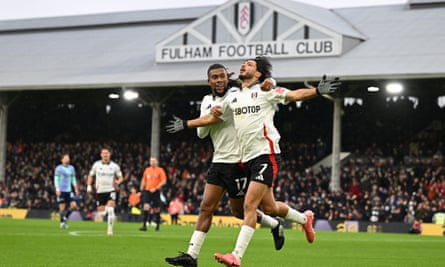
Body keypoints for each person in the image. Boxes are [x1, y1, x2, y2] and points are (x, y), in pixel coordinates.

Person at [167, 56, 340, 267]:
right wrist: (186, 123)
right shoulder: (233, 98)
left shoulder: (265, 91)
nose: (243, 65)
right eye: (243, 64)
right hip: (246, 160)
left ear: (258, 74)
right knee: (269, 207)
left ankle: (236, 256)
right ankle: (305, 219)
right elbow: (212, 120)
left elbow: (293, 95)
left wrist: (316, 91)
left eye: (249, 64)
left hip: (265, 154)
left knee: (249, 206)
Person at [165, 63, 285, 267]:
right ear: (209, 81)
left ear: (227, 78)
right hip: (218, 161)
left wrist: (271, 82)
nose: (219, 80)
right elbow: (201, 133)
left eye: (222, 76)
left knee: (240, 212)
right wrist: (210, 115)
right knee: (206, 207)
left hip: (237, 162)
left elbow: (262, 86)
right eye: (215, 77)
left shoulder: (238, 94)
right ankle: (192, 255)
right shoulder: (206, 100)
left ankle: (273, 223)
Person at [86, 146, 123, 236]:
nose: (105, 155)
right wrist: (89, 186)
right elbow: (91, 175)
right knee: (102, 212)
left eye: (107, 153)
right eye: (103, 153)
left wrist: (118, 181)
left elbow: (121, 177)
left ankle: (110, 230)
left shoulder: (114, 166)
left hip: (111, 190)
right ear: (101, 155)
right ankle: (107, 211)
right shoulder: (96, 165)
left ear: (110, 154)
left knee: (111, 209)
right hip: (100, 191)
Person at [139, 156, 167, 231]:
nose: (152, 162)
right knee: (146, 206)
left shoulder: (160, 170)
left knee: (156, 208)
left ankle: (157, 225)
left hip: (156, 191)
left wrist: (156, 188)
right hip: (147, 191)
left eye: (154, 161)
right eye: (151, 161)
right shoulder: (147, 170)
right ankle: (144, 225)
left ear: (157, 162)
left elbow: (164, 181)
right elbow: (144, 179)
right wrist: (141, 186)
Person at [54, 153, 79, 229]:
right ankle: (62, 223)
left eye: (68, 158)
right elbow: (56, 179)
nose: (68, 159)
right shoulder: (59, 168)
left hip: (69, 190)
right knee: (62, 207)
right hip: (61, 190)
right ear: (62, 160)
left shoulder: (72, 168)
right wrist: (57, 189)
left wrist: (76, 188)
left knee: (74, 206)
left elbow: (73, 179)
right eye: (66, 158)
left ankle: (65, 217)